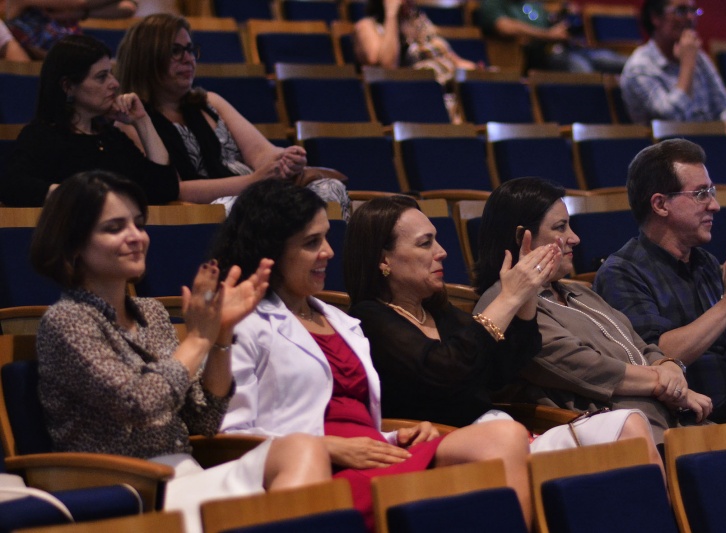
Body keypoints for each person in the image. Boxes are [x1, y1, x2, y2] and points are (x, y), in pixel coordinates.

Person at [214, 181, 533, 529]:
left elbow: (364, 421)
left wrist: (400, 435)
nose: (328, 253)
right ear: (271, 252)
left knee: (506, 436)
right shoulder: (244, 323)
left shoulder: (340, 321)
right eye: (311, 243)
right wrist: (329, 448)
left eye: (325, 238)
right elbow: (232, 435)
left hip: (376, 453)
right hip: (312, 467)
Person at [31, 170, 331, 533]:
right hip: (126, 487)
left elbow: (203, 420)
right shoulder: (66, 321)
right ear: (72, 245)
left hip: (186, 471)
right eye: (114, 228)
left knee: (303, 448)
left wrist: (221, 335)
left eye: (138, 224)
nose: (136, 237)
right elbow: (139, 404)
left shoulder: (152, 314)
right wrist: (197, 340)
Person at [343, 195, 664, 463]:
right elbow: (447, 370)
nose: (441, 251)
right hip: (444, 449)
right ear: (383, 259)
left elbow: (502, 370)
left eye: (437, 240)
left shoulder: (438, 313)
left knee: (629, 424)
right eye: (425, 243)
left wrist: (525, 297)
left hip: (503, 435)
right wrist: (508, 298)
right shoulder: (370, 319)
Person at [472, 177, 712, 444]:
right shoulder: (502, 303)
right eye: (560, 227)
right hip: (618, 434)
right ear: (522, 238)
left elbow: (639, 344)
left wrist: (667, 365)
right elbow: (582, 366)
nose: (575, 238)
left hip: (672, 420)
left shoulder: (580, 292)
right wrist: (667, 384)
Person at [593, 139, 726, 444]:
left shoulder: (704, 262)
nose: (714, 205)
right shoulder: (622, 272)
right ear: (661, 204)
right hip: (685, 424)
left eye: (711, 192)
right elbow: (659, 359)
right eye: (701, 193)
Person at [116, 14, 350, 216]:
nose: (188, 59)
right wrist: (252, 182)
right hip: (208, 207)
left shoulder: (209, 102)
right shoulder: (135, 121)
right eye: (175, 51)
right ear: (146, 58)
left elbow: (262, 153)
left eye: (189, 50)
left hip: (257, 189)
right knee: (248, 207)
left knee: (328, 188)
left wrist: (286, 160)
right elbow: (173, 188)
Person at [1, 35, 179, 206]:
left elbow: (165, 188)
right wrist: (81, 196)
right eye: (102, 77)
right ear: (68, 86)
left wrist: (142, 121)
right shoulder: (42, 136)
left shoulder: (110, 138)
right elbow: (13, 186)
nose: (115, 83)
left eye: (111, 74)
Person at [620, 0, 726, 129]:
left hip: (712, 141)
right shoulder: (640, 66)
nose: (690, 17)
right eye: (681, 11)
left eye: (693, 11)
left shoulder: (699, 57)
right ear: (655, 18)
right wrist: (687, 65)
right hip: (671, 147)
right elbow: (673, 121)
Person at [475, 0, 627, 73]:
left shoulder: (532, 4)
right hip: (538, 56)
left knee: (617, 61)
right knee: (582, 69)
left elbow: (549, 21)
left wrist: (563, 18)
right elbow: (504, 27)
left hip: (568, 48)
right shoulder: (493, 3)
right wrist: (548, 35)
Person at [354, 0, 477, 86]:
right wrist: (391, 14)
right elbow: (387, 67)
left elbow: (451, 58)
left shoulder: (420, 22)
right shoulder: (368, 26)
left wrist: (477, 70)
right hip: (416, 94)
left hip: (446, 87)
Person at [6, 0, 137, 59]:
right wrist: (79, 10)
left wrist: (78, 14)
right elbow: (80, 3)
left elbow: (128, 8)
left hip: (77, 59)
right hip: (42, 67)